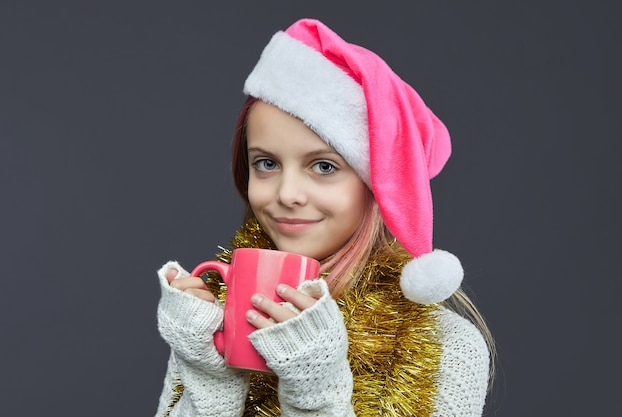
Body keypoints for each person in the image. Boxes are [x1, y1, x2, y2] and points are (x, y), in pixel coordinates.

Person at [154, 18, 495, 417]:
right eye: (266, 163)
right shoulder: (215, 318)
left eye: (324, 167)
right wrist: (209, 375)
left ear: (377, 185)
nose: (287, 194)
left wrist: (314, 391)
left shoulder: (449, 346)